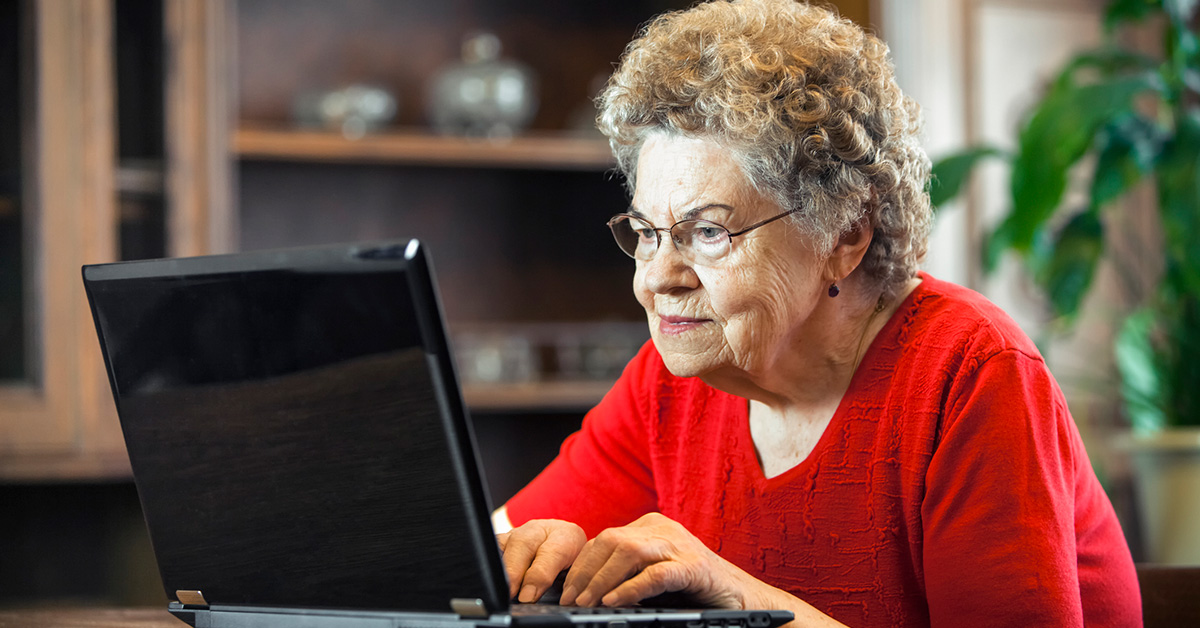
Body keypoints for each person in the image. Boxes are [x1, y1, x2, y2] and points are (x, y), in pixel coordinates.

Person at [492, 1, 1142, 626]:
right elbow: (481, 550)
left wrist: (738, 596)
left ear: (845, 233)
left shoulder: (971, 376)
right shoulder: (674, 380)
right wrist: (524, 557)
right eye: (647, 232)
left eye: (709, 233)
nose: (657, 279)